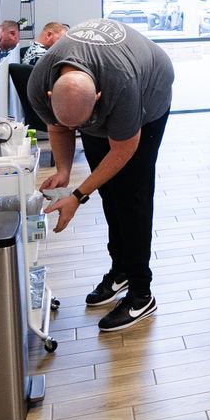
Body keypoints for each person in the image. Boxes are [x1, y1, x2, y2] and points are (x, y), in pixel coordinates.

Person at [26, 18, 174, 332]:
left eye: (88, 121)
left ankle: (140, 292)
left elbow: (122, 151)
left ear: (97, 99)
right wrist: (64, 171)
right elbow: (58, 127)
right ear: (50, 95)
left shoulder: (122, 84)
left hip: (151, 90)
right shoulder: (38, 82)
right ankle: (120, 268)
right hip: (102, 85)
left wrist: (78, 196)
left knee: (132, 193)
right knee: (109, 188)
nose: (84, 130)